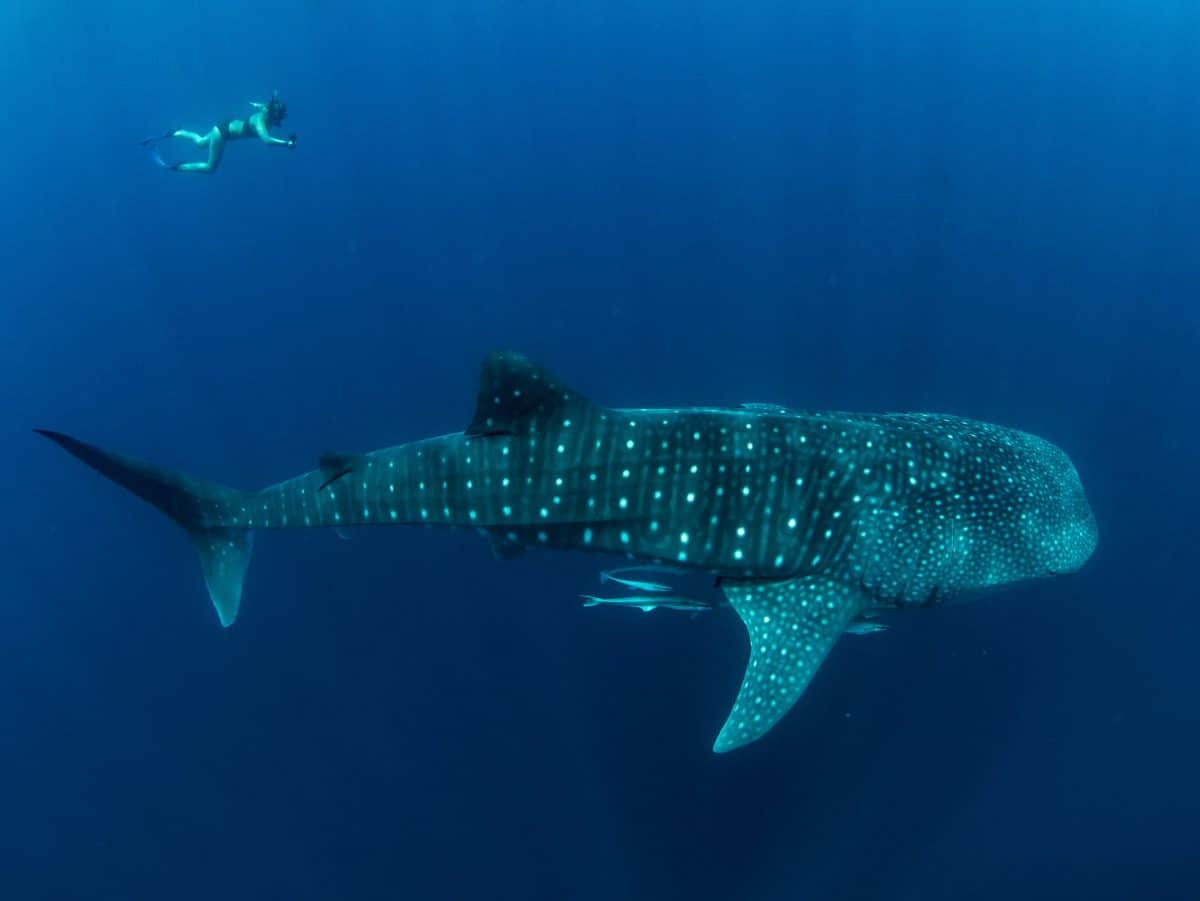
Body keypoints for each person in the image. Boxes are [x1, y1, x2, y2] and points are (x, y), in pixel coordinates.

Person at [143, 92, 296, 173]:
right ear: (272, 114)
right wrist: (286, 143)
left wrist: (254, 103)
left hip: (226, 125)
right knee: (210, 169)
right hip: (223, 134)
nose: (282, 117)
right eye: (280, 115)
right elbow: (267, 140)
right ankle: (176, 167)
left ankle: (179, 132)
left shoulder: (265, 109)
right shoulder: (260, 123)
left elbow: (260, 105)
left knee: (200, 143)